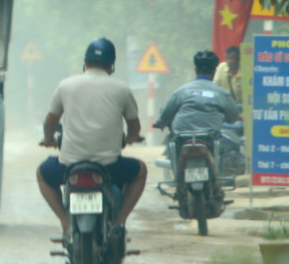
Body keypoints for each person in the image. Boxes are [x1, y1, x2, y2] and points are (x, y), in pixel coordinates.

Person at [38, 38, 147, 239]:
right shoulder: (121, 89)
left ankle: (65, 222)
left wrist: (48, 139)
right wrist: (132, 138)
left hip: (70, 165)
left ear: (85, 63)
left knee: (42, 173)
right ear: (111, 66)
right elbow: (134, 125)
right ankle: (119, 222)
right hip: (109, 167)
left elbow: (50, 122)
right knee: (140, 171)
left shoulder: (66, 85)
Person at [155, 50, 241, 175]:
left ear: (196, 70)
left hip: (182, 137)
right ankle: (218, 181)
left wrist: (160, 123)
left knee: (172, 148)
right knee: (222, 150)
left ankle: (178, 181)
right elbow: (233, 116)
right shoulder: (220, 93)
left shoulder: (182, 91)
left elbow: (167, 113)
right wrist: (228, 119)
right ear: (214, 71)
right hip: (209, 138)